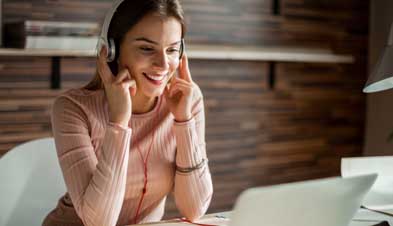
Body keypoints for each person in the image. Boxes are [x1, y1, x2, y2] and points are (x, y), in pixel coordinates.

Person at [42, 0, 213, 225]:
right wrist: (119, 123)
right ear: (112, 51)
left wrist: (184, 120)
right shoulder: (73, 109)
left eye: (172, 50)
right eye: (146, 48)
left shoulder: (187, 100)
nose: (163, 64)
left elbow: (194, 210)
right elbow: (100, 222)